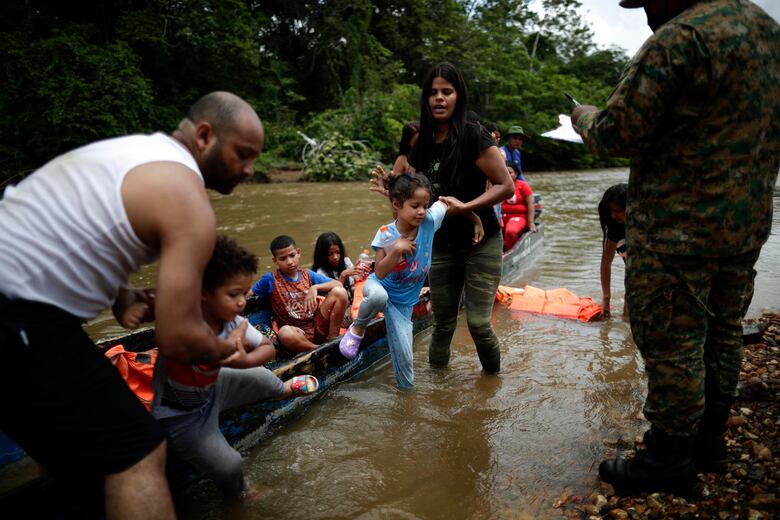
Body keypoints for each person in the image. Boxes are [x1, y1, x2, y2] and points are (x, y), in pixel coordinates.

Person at [0, 91, 264, 517]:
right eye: (243, 154)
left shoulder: (135, 152)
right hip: (19, 311)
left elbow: (59, 229)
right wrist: (227, 347)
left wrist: (120, 292)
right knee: (140, 455)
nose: (250, 170)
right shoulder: (188, 198)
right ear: (204, 136)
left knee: (80, 470)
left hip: (25, 306)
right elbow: (177, 339)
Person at [571, 0, 780, 495]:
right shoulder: (768, 33)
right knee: (723, 329)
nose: (644, 12)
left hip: (678, 227)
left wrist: (582, 116)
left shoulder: (682, 37)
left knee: (674, 340)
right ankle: (709, 444)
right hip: (747, 220)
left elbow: (614, 132)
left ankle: (667, 458)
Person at [151, 236, 319, 497]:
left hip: (215, 386)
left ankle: (284, 390)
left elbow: (267, 347)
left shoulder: (233, 321)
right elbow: (176, 347)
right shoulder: (182, 321)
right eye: (233, 295)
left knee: (263, 377)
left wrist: (244, 361)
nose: (242, 302)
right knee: (230, 466)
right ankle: (241, 493)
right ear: (203, 293)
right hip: (182, 413)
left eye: (244, 293)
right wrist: (222, 351)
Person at [374, 61, 514, 374]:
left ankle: (492, 387)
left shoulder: (473, 136)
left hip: (482, 243)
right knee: (442, 325)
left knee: (478, 324)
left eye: (447, 92)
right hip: (439, 246)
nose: (439, 98)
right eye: (433, 92)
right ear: (425, 99)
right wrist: (392, 194)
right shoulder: (421, 144)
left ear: (458, 97)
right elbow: (418, 198)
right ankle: (437, 398)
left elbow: (506, 186)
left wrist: (467, 209)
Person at [339, 173, 483, 388]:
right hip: (380, 286)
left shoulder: (429, 220)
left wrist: (476, 220)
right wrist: (396, 250)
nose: (422, 211)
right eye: (415, 206)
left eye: (425, 205)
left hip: (403, 304)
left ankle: (405, 404)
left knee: (406, 363)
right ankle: (358, 327)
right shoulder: (386, 234)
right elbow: (378, 273)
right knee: (378, 295)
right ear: (397, 205)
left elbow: (449, 202)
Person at [250, 235, 349, 354]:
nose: (290, 262)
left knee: (340, 292)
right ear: (275, 261)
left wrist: (315, 287)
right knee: (284, 333)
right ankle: (318, 350)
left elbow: (338, 284)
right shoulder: (269, 279)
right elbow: (248, 294)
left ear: (298, 253)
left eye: (292, 256)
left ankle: (332, 339)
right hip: (297, 334)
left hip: (317, 324)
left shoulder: (307, 274)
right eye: (283, 259)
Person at [598, 183, 628, 318]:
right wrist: (606, 300)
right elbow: (606, 263)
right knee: (626, 320)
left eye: (617, 211)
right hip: (633, 281)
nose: (613, 216)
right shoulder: (615, 229)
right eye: (610, 211)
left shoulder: (646, 226)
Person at [312, 231, 368, 301]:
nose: (335, 257)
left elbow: (357, 281)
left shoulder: (346, 261)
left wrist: (360, 271)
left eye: (338, 252)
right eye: (330, 254)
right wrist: (343, 276)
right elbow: (333, 299)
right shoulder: (320, 273)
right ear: (323, 256)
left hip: (353, 303)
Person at [501, 162, 537, 251]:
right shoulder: (496, 185)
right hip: (500, 217)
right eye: (504, 172)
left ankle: (510, 252)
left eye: (510, 172)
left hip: (518, 217)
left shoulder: (522, 185)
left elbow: (530, 204)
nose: (507, 175)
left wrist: (530, 222)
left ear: (516, 174)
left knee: (511, 231)